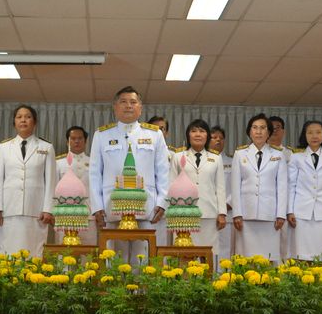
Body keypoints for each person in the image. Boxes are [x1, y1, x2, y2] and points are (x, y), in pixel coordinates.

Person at [91, 87, 170, 261]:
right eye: (123, 102)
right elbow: (95, 173)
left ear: (140, 108)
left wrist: (162, 202)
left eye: (133, 102)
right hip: (112, 208)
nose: (128, 106)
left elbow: (163, 171)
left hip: (147, 207)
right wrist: (97, 206)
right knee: (113, 260)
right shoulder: (102, 135)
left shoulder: (154, 134)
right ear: (115, 107)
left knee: (143, 260)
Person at [0, 105, 57, 257]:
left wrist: (48, 209)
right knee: (9, 251)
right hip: (9, 208)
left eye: (28, 117)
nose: (23, 120)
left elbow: (51, 181)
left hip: (36, 210)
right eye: (19, 117)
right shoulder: (4, 147)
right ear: (14, 122)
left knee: (34, 252)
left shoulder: (46, 147)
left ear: (35, 122)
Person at [230, 114, 287, 262]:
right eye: (255, 128)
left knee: (269, 257)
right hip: (246, 215)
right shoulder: (240, 154)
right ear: (249, 132)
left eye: (263, 128)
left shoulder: (278, 154)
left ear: (268, 132)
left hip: (270, 215)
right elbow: (235, 186)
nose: (258, 131)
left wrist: (281, 214)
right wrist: (237, 214)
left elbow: (282, 187)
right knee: (245, 258)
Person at [287, 119, 322, 262]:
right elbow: (291, 185)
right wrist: (289, 211)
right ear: (304, 135)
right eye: (310, 132)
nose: (314, 136)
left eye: (318, 132)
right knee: (301, 256)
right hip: (301, 213)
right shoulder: (296, 156)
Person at [171, 119, 227, 253]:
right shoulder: (178, 157)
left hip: (209, 213)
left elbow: (220, 188)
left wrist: (222, 213)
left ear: (207, 136)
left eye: (202, 131)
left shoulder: (216, 158)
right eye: (194, 131)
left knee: (208, 254)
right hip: (183, 215)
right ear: (188, 135)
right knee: (184, 254)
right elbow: (171, 186)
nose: (197, 134)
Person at [55, 125, 96, 245]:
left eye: (80, 138)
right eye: (73, 138)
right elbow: (54, 190)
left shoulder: (94, 162)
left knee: (88, 251)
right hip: (64, 216)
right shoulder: (59, 163)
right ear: (67, 142)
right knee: (64, 251)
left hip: (88, 214)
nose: (76, 141)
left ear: (85, 141)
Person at [267, 115, 293, 261]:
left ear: (283, 131)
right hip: (267, 206)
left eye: (278, 128)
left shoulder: (292, 154)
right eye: (271, 128)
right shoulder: (260, 153)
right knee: (267, 248)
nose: (274, 131)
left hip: (288, 207)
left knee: (286, 248)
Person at [209, 125, 233, 263]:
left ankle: (224, 275)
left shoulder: (232, 162)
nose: (218, 140)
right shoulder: (203, 160)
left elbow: (236, 188)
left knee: (225, 249)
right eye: (214, 137)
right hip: (208, 212)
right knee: (208, 247)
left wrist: (225, 207)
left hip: (227, 214)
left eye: (221, 138)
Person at [148, 114, 172, 244]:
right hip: (147, 205)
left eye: (162, 129)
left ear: (167, 133)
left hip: (167, 208)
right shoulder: (141, 152)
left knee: (163, 247)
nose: (158, 132)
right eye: (154, 128)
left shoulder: (174, 155)